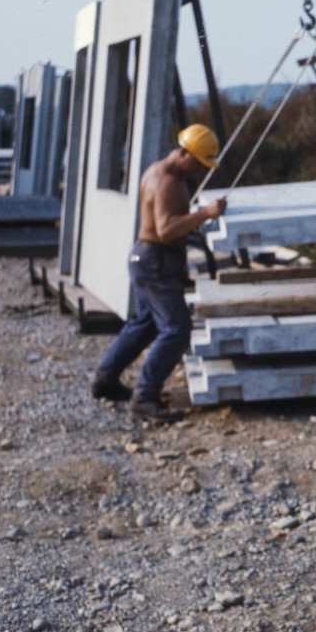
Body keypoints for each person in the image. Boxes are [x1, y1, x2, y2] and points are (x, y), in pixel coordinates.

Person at [89, 124, 228, 422]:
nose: (198, 171)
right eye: (197, 163)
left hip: (145, 256)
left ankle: (105, 380)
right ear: (184, 152)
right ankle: (145, 397)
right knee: (176, 329)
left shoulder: (158, 171)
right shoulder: (168, 182)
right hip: (156, 261)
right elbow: (165, 230)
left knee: (146, 324)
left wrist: (194, 218)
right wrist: (205, 214)